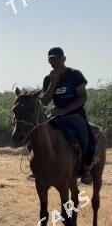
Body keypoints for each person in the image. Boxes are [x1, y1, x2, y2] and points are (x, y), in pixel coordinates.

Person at [40, 47, 94, 184]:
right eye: (50, 60)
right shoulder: (48, 78)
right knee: (38, 131)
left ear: (63, 59)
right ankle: (39, 167)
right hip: (57, 114)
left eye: (56, 59)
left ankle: (86, 168)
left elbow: (82, 97)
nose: (53, 62)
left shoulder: (75, 75)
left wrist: (65, 110)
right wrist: (52, 83)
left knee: (86, 136)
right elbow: (45, 102)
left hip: (75, 114)